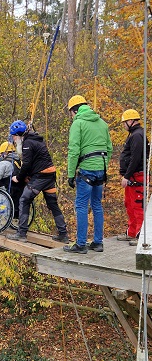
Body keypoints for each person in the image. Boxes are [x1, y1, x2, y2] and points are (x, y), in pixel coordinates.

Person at [64, 95, 113, 254]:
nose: (71, 116)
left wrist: (70, 174)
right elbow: (109, 149)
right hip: (100, 170)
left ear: (75, 110)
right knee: (97, 205)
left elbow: (73, 151)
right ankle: (98, 243)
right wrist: (102, 165)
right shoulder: (102, 123)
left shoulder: (78, 124)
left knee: (81, 206)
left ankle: (81, 244)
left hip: (86, 170)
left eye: (71, 113)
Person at [6, 120, 68, 243]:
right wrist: (28, 176)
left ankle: (21, 233)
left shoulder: (27, 143)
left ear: (18, 135)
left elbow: (27, 164)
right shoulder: (35, 140)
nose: (13, 139)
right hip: (50, 175)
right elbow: (36, 161)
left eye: (13, 136)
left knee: (24, 199)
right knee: (52, 204)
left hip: (41, 176)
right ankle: (63, 234)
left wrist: (18, 178)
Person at [117, 109, 149, 246]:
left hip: (137, 176)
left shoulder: (137, 136)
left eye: (125, 122)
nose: (124, 125)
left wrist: (127, 175)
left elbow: (135, 158)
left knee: (137, 206)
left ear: (131, 121)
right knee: (129, 204)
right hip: (133, 177)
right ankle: (132, 232)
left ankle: (140, 235)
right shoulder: (134, 134)